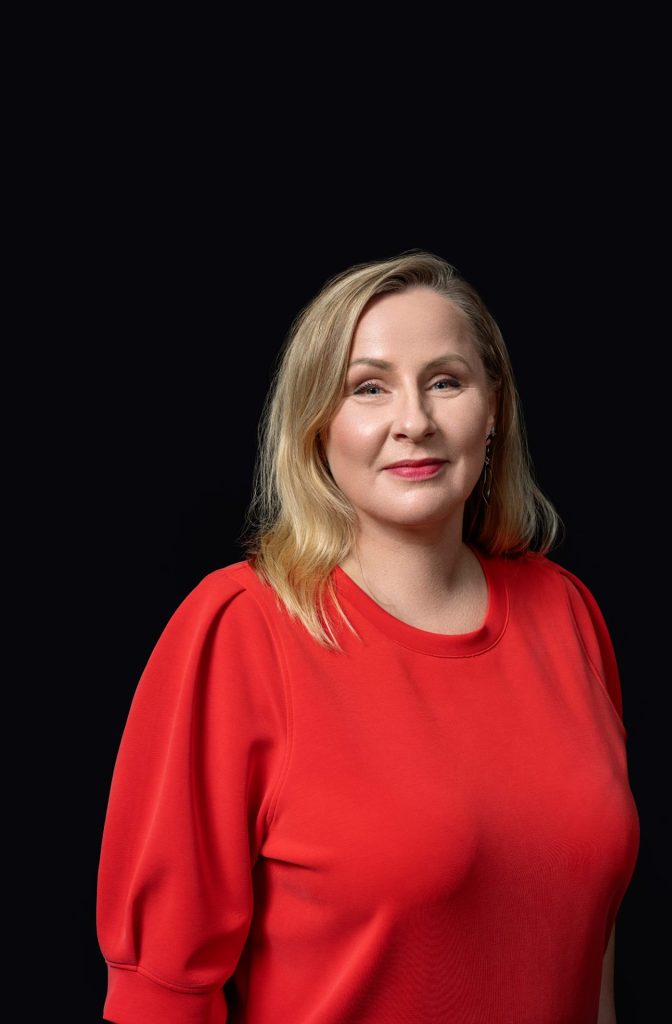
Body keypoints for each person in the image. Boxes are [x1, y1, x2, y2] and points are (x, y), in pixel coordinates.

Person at [96, 250, 640, 1024]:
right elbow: (160, 996)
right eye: (369, 387)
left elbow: (591, 948)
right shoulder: (240, 631)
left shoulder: (567, 614)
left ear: (493, 411)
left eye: (445, 381)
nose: (413, 421)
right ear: (318, 424)